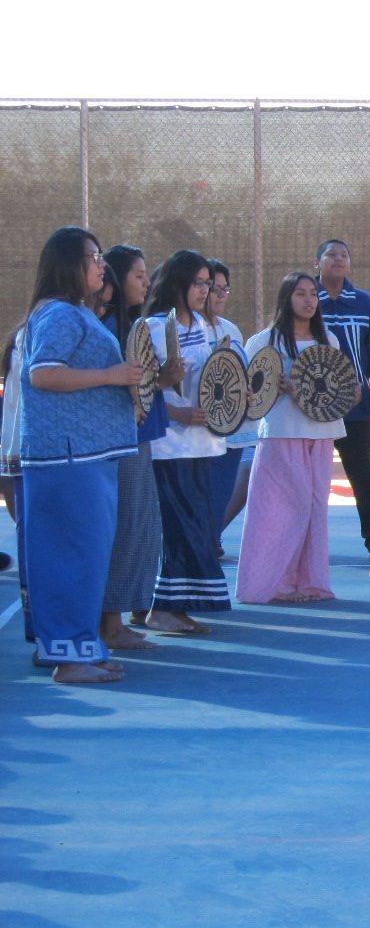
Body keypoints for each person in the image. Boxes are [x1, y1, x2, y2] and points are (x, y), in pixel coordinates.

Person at [13, 227, 140, 684]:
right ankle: (68, 659)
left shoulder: (70, 313)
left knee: (87, 558)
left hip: (84, 458)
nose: (101, 264)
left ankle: (81, 647)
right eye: (92, 256)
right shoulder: (61, 315)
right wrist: (111, 374)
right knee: (72, 557)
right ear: (68, 263)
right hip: (68, 461)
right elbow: (43, 374)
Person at [236, 273, 346, 603]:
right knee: (280, 509)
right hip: (281, 433)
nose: (309, 300)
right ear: (286, 298)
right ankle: (268, 586)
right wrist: (274, 388)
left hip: (321, 433)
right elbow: (247, 395)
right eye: (301, 293)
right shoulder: (263, 341)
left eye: (313, 293)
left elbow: (338, 389)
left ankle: (310, 583)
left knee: (313, 509)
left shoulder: (330, 341)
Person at [143, 250, 231, 635]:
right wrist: (175, 411)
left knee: (200, 527)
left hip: (205, 443)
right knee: (178, 528)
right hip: (168, 446)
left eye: (207, 283)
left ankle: (177, 607)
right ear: (177, 282)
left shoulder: (207, 326)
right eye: (198, 282)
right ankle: (160, 609)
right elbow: (137, 387)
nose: (204, 290)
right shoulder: (149, 328)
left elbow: (217, 377)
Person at [97, 245, 181, 652]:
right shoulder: (110, 326)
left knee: (140, 530)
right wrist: (158, 381)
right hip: (124, 443)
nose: (147, 282)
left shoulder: (130, 325)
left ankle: (117, 618)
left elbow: (138, 388)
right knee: (129, 530)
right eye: (138, 275)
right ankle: (110, 624)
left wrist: (164, 379)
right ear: (114, 278)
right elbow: (120, 391)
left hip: (139, 439)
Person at [315, 239, 370, 552]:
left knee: (365, 481)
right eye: (331, 254)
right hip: (312, 412)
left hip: (357, 412)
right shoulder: (305, 300)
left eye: (344, 254)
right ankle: (306, 549)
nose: (338, 259)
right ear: (317, 263)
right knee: (309, 484)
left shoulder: (365, 303)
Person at [202, 259, 250, 552]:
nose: (220, 295)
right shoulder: (182, 328)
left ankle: (211, 536)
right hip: (195, 430)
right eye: (213, 288)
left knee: (232, 486)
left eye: (225, 289)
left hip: (231, 431)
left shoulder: (231, 330)